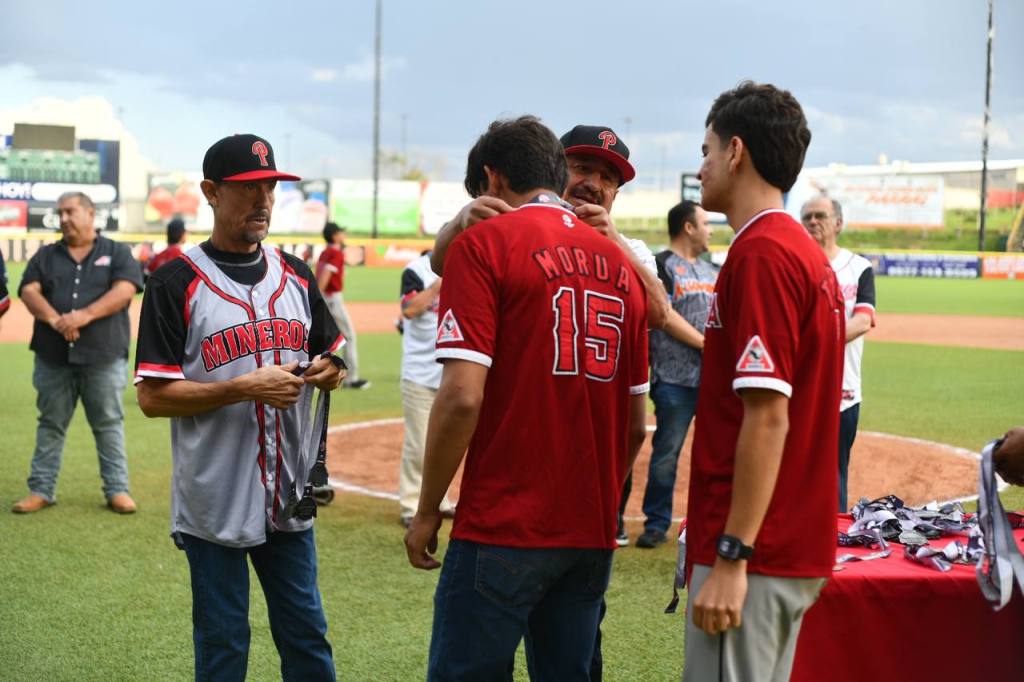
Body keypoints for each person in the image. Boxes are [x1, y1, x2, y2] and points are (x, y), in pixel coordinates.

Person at [403, 116, 649, 681]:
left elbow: (462, 397)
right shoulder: (623, 266)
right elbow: (637, 424)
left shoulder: (483, 245)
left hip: (503, 521)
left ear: (491, 178)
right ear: (557, 172)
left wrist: (424, 512)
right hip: (590, 529)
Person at [430, 123, 705, 546]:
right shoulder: (510, 227)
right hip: (525, 454)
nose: (594, 184)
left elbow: (658, 313)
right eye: (582, 168)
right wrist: (459, 222)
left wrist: (614, 243)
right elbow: (440, 261)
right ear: (557, 169)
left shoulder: (630, 249)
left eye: (608, 178)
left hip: (581, 462)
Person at [134, 133, 345, 681]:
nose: (263, 200)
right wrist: (243, 387)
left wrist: (330, 370)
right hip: (215, 500)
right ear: (211, 192)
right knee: (225, 642)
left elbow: (332, 355)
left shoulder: (296, 274)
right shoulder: (175, 280)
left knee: (306, 633)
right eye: (248, 187)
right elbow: (152, 398)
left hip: (290, 495)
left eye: (269, 187)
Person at [682, 82, 845, 682]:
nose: (699, 167)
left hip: (757, 553)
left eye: (707, 150)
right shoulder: (799, 253)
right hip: (781, 546)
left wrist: (732, 555)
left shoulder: (763, 255)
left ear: (735, 152)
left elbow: (767, 416)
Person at [12, 191, 143, 514]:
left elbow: (125, 289)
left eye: (70, 211)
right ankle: (41, 489)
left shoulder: (116, 252)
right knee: (50, 424)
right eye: (60, 213)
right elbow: (28, 290)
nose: (64, 218)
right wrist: (58, 320)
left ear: (90, 213)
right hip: (53, 356)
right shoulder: (46, 255)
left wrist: (83, 315)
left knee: (108, 423)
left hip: (103, 356)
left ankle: (117, 490)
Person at [633, 200, 717, 549]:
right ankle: (656, 522)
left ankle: (708, 522)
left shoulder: (712, 269)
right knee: (667, 451)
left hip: (712, 379)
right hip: (674, 379)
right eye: (706, 224)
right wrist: (705, 343)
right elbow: (664, 314)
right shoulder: (663, 265)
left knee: (713, 455)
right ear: (688, 228)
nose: (710, 230)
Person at [801, 195, 876, 512]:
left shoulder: (858, 267)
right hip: (797, 385)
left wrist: (814, 342)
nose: (813, 222)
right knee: (793, 468)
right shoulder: (794, 262)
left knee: (834, 472)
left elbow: (862, 321)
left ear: (838, 223)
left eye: (820, 216)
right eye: (807, 217)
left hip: (842, 388)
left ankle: (832, 541)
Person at [397, 250, 455, 527]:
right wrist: (437, 286)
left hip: (452, 374)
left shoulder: (471, 267)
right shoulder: (416, 271)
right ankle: (410, 506)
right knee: (419, 445)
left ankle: (442, 501)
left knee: (447, 443)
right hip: (419, 373)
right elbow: (408, 310)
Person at [317, 222, 369, 389]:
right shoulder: (336, 253)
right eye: (341, 232)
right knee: (349, 337)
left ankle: (324, 372)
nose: (343, 235)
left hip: (326, 297)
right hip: (331, 298)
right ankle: (351, 378)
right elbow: (325, 275)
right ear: (334, 236)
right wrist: (318, 298)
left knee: (328, 338)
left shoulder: (325, 252)